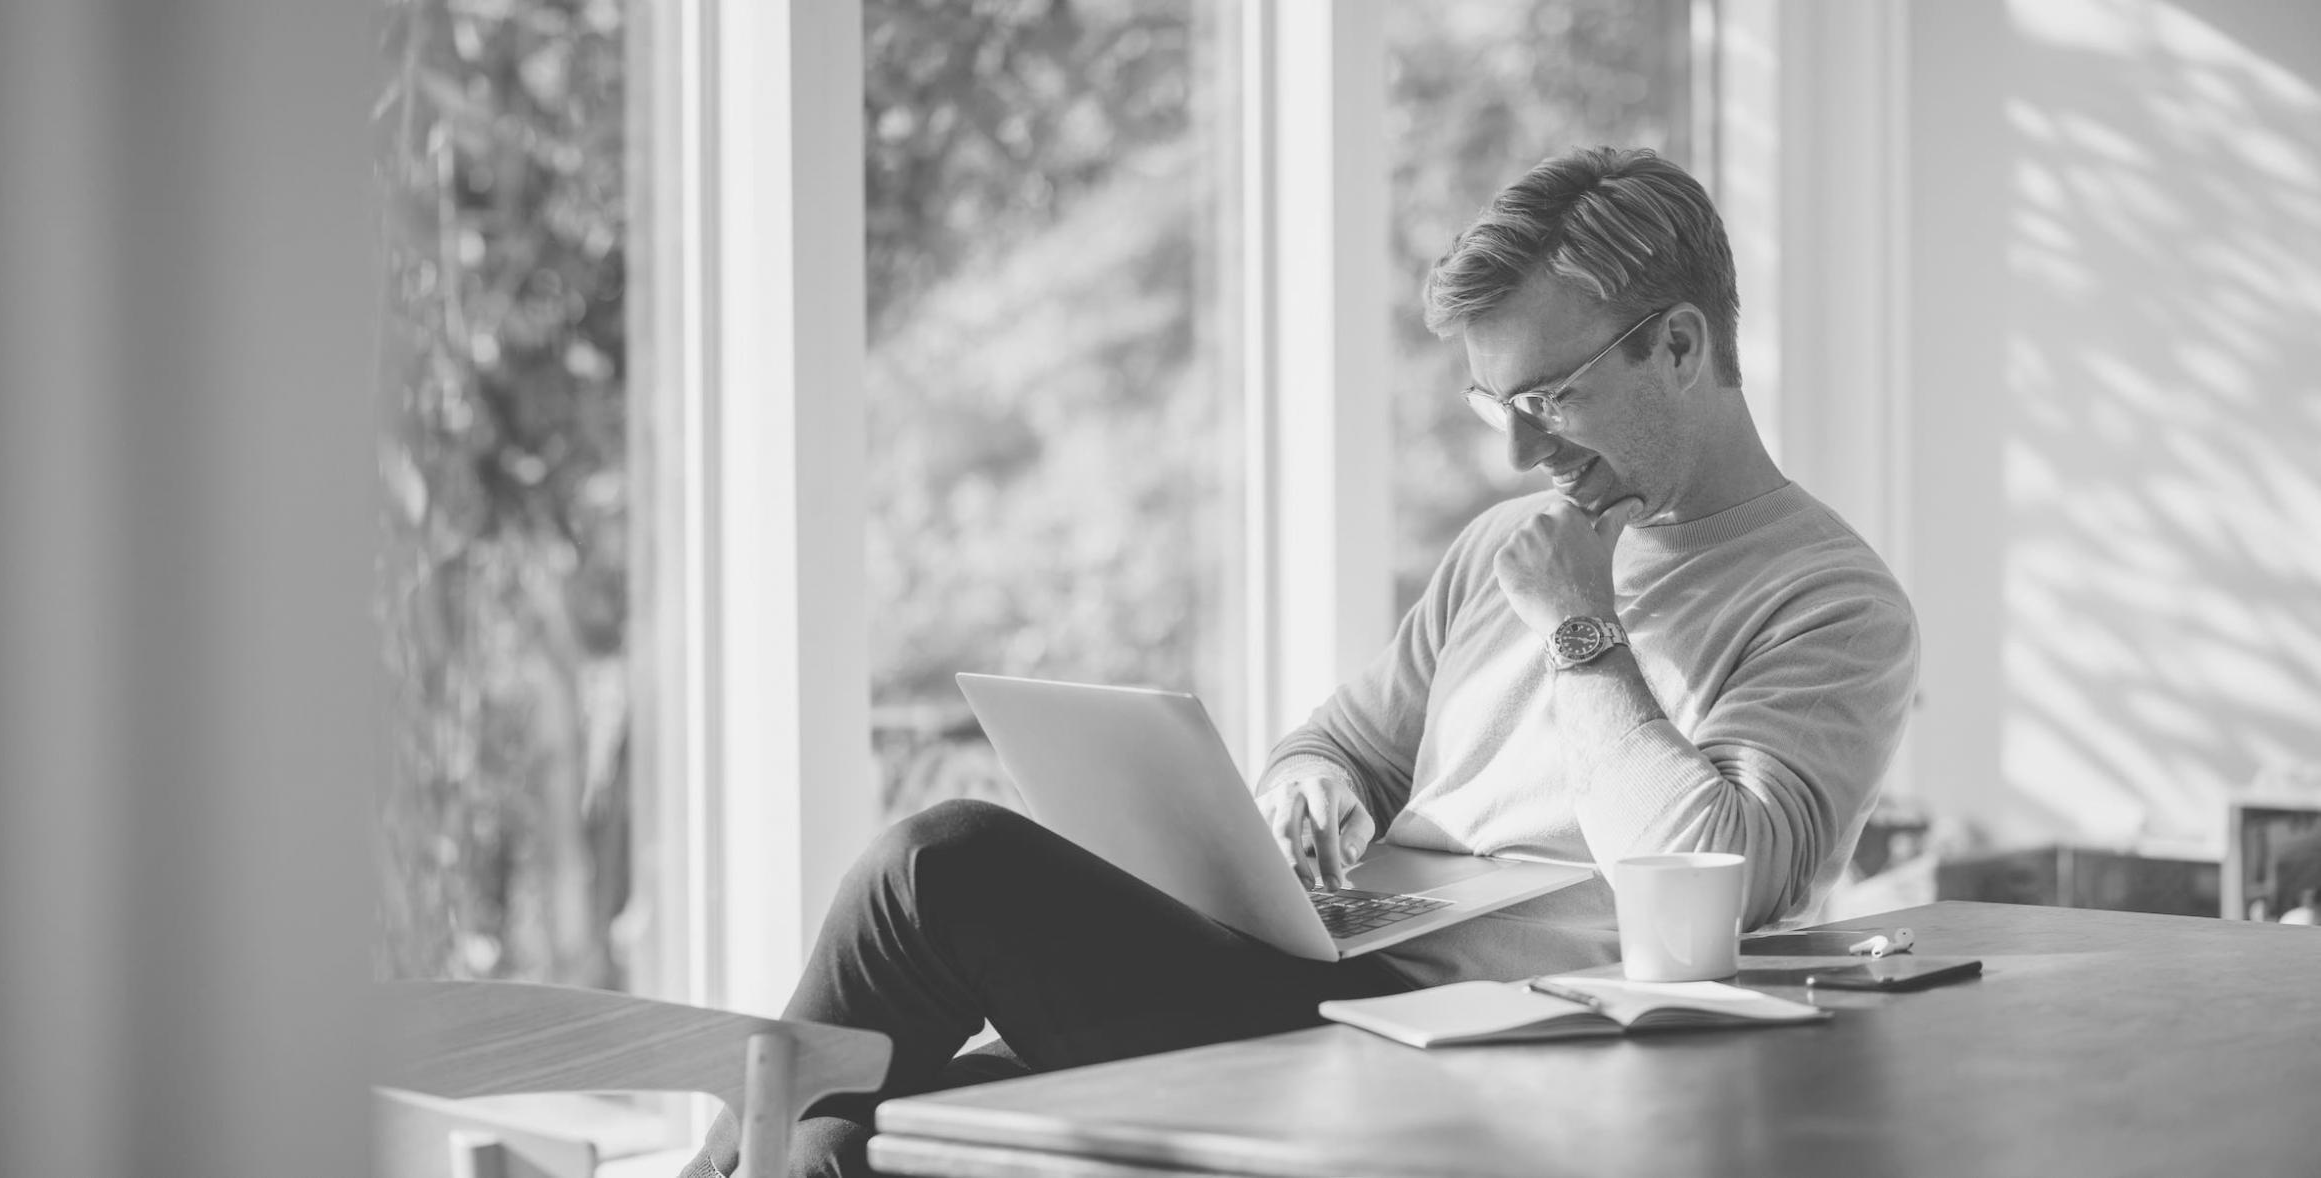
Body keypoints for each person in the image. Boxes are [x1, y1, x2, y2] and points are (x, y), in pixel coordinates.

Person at [682, 145, 1920, 1177]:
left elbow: (1729, 877)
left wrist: (1578, 626)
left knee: (937, 863)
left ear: (1680, 344)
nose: (1514, 460)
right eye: (1498, 410)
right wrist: (1304, 788)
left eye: (1548, 399)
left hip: (1461, 1044)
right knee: (853, 1127)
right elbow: (1343, 743)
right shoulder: (1502, 543)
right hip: (1313, 969)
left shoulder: (1830, 600)